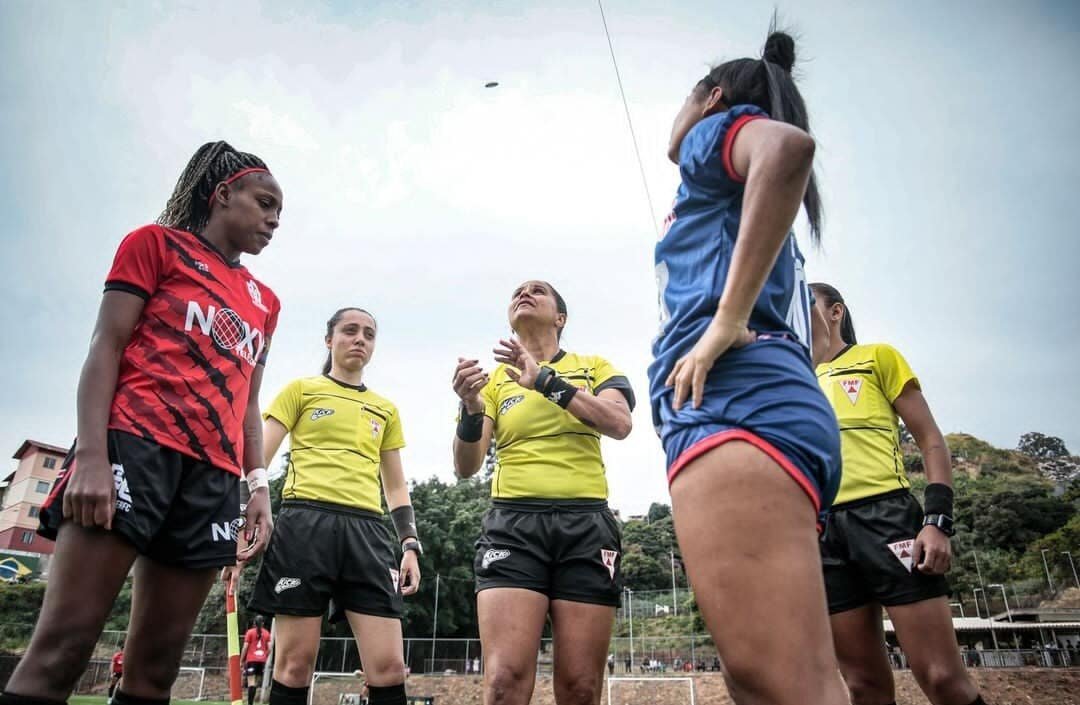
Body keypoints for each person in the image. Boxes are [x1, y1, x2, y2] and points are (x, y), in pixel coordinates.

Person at [0, 142, 281, 705]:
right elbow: (105, 346)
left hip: (213, 479)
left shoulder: (265, 301)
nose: (274, 219)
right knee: (63, 650)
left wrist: (257, 485)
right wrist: (92, 457)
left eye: (280, 211)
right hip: (133, 449)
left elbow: (248, 401)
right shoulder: (154, 245)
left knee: (156, 671)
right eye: (265, 202)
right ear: (223, 193)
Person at [649, 28, 848, 705]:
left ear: (709, 99)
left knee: (787, 686)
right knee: (760, 682)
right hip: (761, 409)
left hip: (736, 406)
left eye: (685, 100)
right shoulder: (745, 212)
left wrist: (727, 322)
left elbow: (788, 148)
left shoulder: (710, 136)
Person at [452, 280, 634, 705]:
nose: (525, 293)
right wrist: (471, 409)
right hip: (513, 527)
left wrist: (546, 382)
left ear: (560, 317)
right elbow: (466, 466)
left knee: (580, 688)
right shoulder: (494, 381)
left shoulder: (595, 366)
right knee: (503, 683)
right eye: (518, 291)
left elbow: (619, 423)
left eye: (538, 290)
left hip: (586, 526)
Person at [810, 283, 988, 705]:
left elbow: (930, 439)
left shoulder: (877, 357)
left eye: (806, 302)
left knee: (942, 678)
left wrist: (937, 521)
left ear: (835, 312)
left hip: (886, 517)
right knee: (863, 687)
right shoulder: (792, 380)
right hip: (821, 532)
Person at [247, 307, 421, 705]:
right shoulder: (300, 390)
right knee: (294, 666)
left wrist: (410, 543)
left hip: (368, 532)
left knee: (390, 669)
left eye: (369, 334)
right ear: (329, 339)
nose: (360, 339)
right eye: (350, 330)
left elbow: (395, 486)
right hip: (304, 524)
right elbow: (258, 459)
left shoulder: (385, 408)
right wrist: (243, 516)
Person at [242, 616, 272, 705]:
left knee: (251, 682)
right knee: (255, 683)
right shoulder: (267, 633)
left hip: (251, 660)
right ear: (263, 623)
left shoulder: (250, 632)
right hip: (261, 661)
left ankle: (250, 703)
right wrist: (265, 656)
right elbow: (270, 648)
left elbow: (245, 647)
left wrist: (241, 660)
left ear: (254, 623)